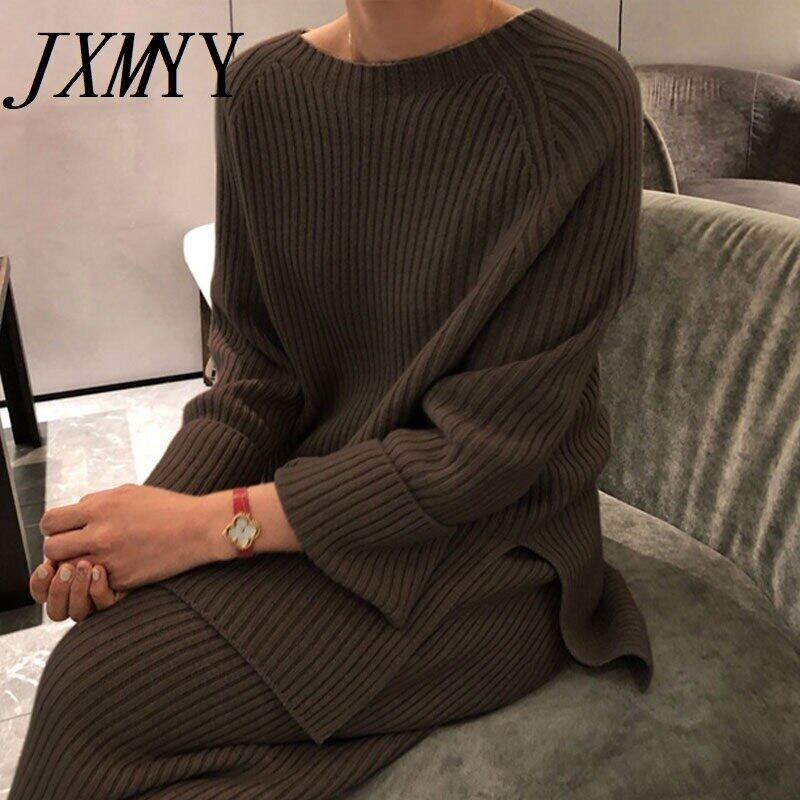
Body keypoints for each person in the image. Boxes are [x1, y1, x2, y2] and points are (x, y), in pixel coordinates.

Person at [9, 2, 654, 798]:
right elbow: (258, 378)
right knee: (96, 682)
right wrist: (138, 527)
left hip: (494, 553)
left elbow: (481, 454)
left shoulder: (579, 95)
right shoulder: (260, 91)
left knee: (94, 691)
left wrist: (207, 527)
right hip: (324, 514)